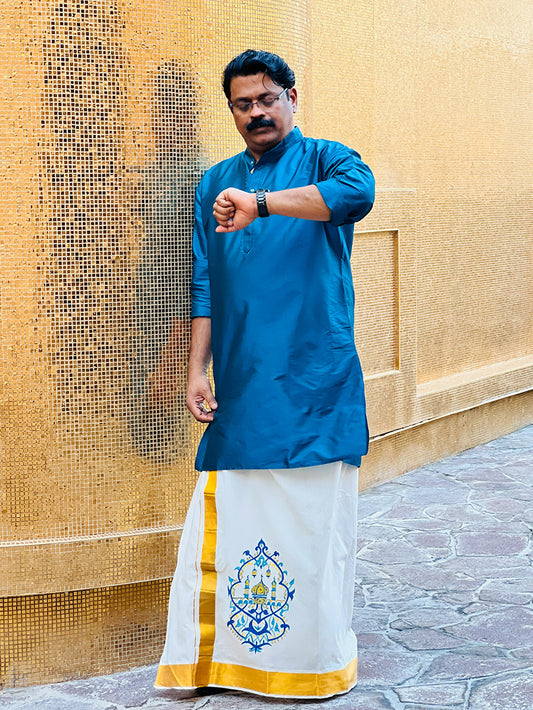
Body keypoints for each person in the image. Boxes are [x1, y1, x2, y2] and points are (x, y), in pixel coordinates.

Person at [155, 49, 375, 699]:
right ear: (231, 111)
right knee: (231, 524)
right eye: (242, 104)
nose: (256, 112)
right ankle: (228, 664)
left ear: (291, 98)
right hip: (243, 386)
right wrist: (196, 369)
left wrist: (262, 204)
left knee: (312, 534)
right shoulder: (214, 183)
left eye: (266, 99)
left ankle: (310, 668)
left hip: (313, 383)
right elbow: (204, 282)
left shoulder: (329, 159)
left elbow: (356, 196)